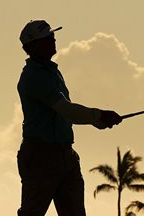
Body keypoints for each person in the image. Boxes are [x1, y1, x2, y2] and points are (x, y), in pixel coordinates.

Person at [16, 20, 122, 216]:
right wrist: (98, 116)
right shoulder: (33, 77)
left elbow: (65, 114)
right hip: (40, 155)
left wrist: (97, 121)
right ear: (31, 47)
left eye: (51, 36)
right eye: (46, 38)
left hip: (66, 154)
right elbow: (66, 109)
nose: (52, 39)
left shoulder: (52, 72)